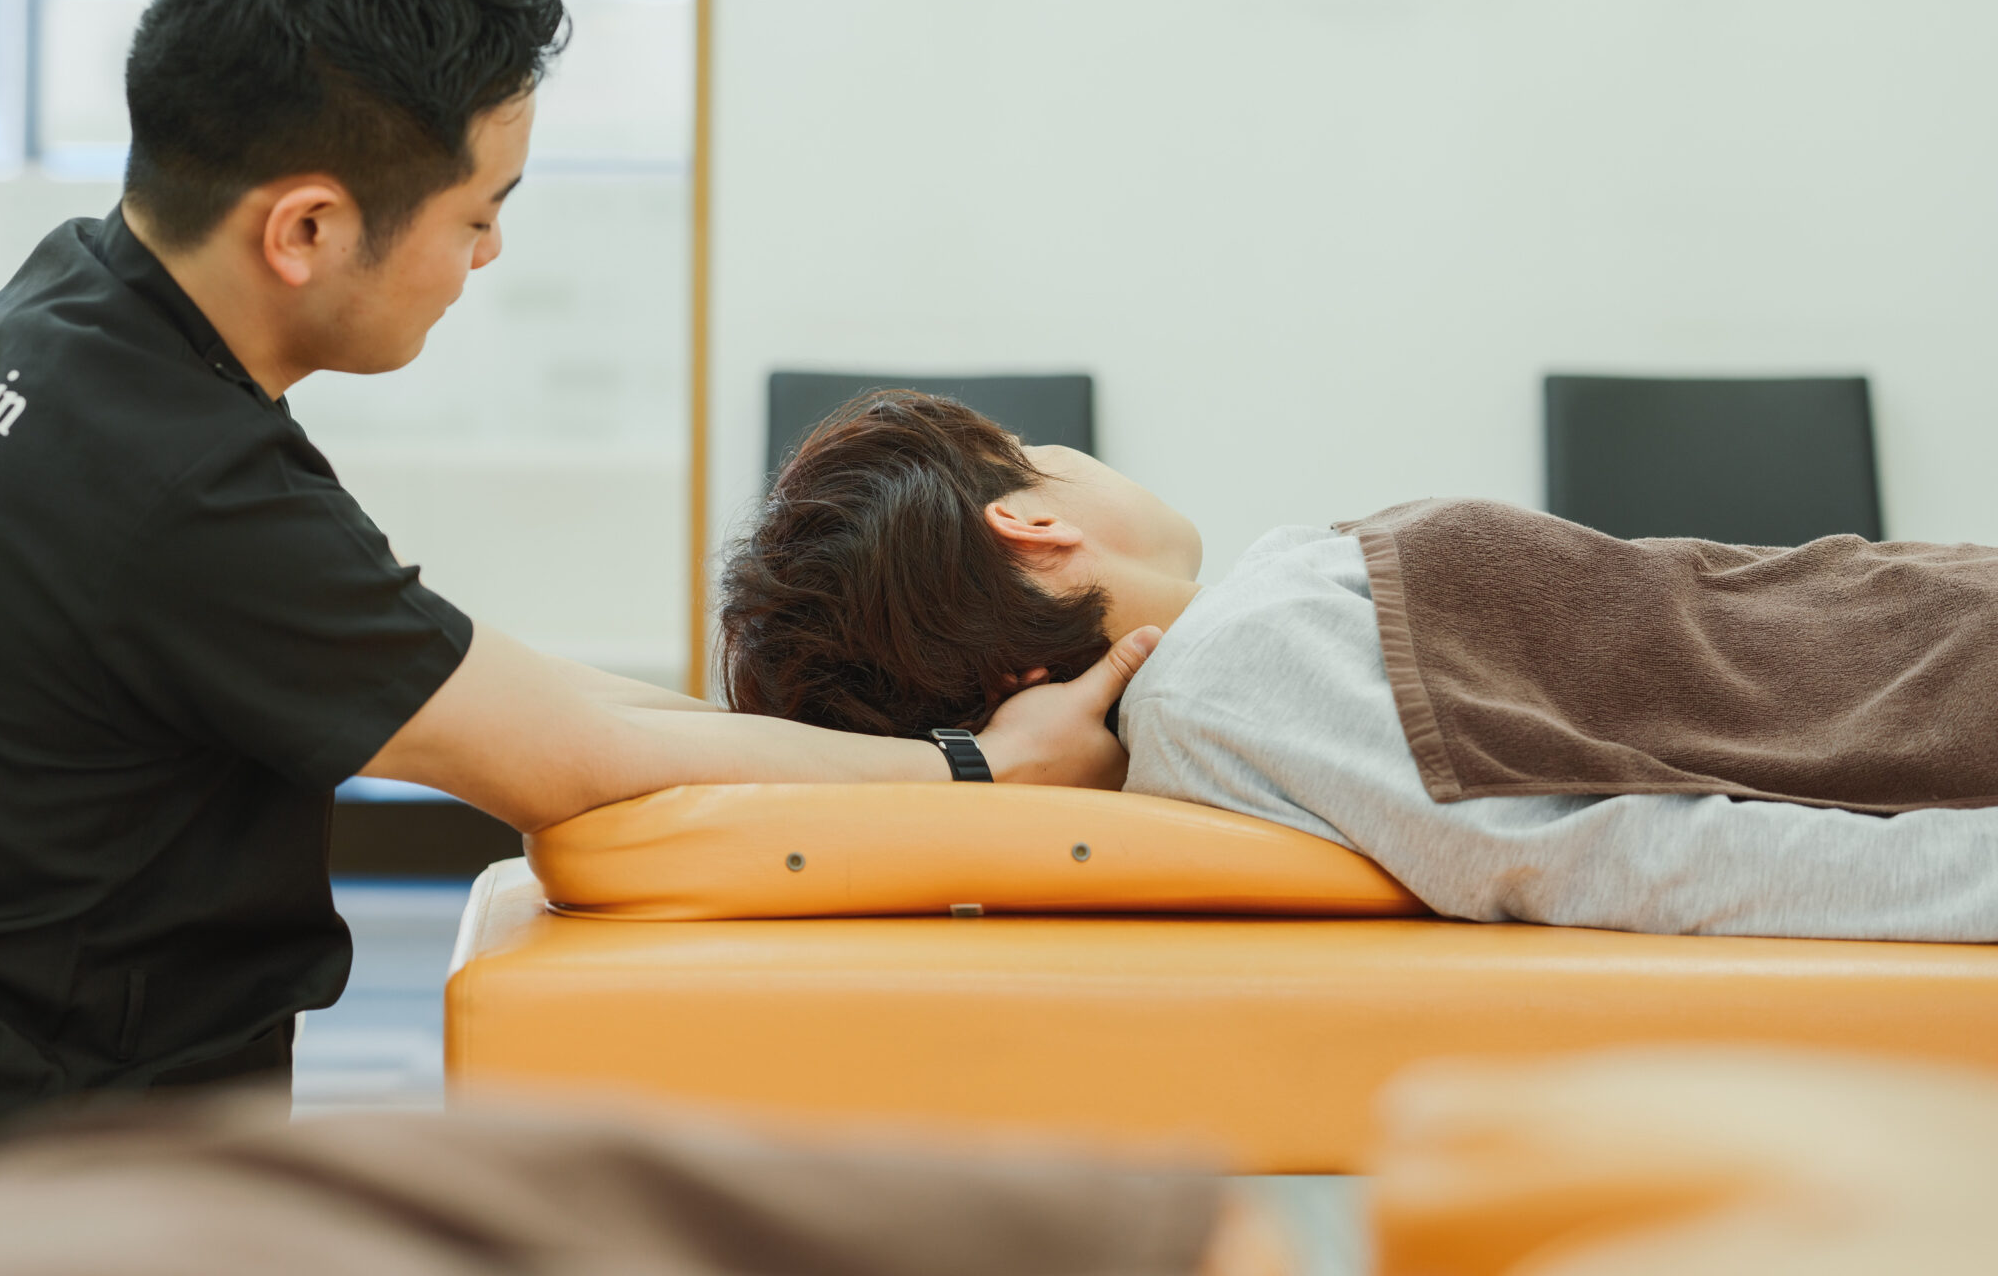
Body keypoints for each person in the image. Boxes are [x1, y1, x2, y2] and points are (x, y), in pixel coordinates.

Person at [0, 0, 1149, 1276]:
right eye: (479, 212)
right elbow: (565, 759)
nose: (489, 255)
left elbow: (492, 679)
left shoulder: (79, 311)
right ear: (308, 228)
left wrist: (883, 758)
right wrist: (980, 772)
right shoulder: (172, 482)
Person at [720, 388, 1998, 943]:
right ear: (1031, 519)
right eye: (1045, 453)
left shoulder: (1242, 644)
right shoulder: (1227, 683)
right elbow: (1609, 858)